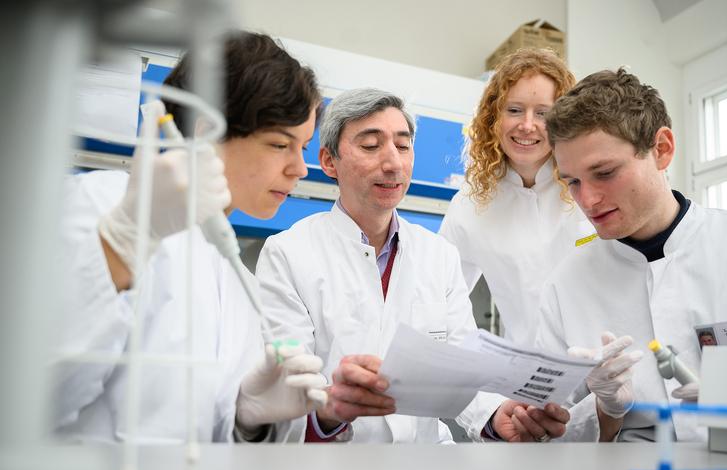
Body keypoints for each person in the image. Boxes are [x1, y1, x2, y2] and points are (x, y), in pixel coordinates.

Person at [53, 31, 327, 443]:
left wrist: (248, 420)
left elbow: (208, 438)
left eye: (303, 147)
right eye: (279, 144)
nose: (300, 168)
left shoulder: (237, 278)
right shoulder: (102, 205)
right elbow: (29, 392)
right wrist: (120, 248)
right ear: (204, 132)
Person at [535, 67, 727, 442]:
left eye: (605, 172)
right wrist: (605, 410)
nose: (587, 200)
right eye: (573, 182)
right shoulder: (566, 286)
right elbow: (550, 434)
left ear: (662, 149)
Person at [256, 88, 487, 443]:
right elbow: (288, 385)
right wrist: (331, 407)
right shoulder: (288, 253)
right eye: (370, 145)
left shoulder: (439, 255)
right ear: (329, 161)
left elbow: (464, 367)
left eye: (403, 145)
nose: (393, 162)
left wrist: (498, 415)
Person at [440, 49, 584, 442]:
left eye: (543, 112)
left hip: (603, 384)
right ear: (493, 117)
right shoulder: (471, 204)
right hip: (528, 396)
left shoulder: (588, 185)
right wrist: (479, 397)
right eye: (515, 109)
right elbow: (439, 302)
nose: (528, 125)